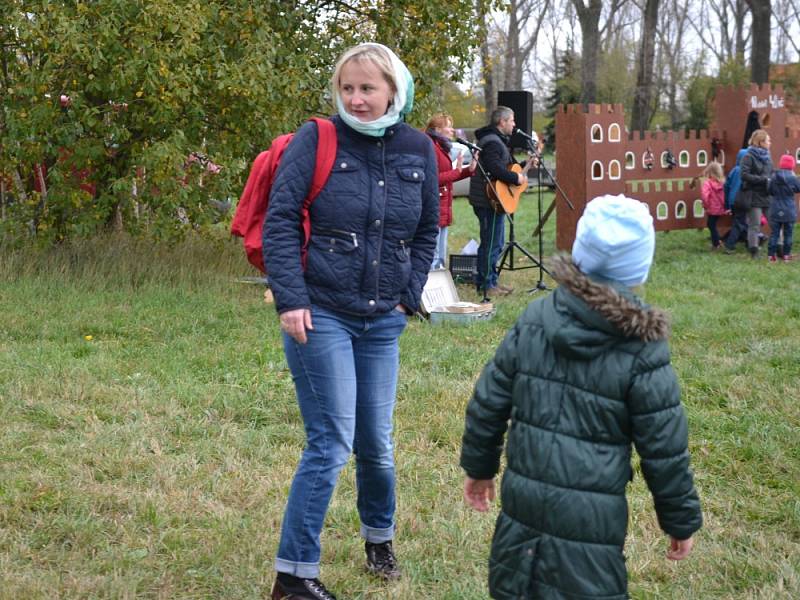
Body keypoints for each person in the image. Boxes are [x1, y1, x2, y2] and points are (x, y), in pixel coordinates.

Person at [460, 194, 703, 600]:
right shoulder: (643, 348)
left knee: (515, 586)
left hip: (523, 509)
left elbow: (488, 401)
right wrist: (679, 520)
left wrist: (479, 467)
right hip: (591, 524)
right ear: (638, 267)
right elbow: (665, 448)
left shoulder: (536, 318)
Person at [263, 43, 438, 600]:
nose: (357, 100)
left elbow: (428, 230)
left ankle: (378, 539)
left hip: (383, 320)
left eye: (368, 88)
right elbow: (282, 219)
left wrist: (408, 296)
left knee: (377, 445)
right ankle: (293, 575)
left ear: (394, 91)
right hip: (320, 314)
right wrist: (291, 298)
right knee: (331, 443)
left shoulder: (419, 148)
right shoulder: (317, 140)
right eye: (348, 89)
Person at [468, 106, 527, 297]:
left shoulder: (496, 140)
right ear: (502, 122)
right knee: (491, 243)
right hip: (488, 199)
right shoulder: (492, 142)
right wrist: (515, 178)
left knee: (496, 243)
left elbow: (504, 167)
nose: (514, 124)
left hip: (494, 199)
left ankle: (492, 281)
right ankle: (486, 285)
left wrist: (525, 165)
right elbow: (495, 168)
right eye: (512, 120)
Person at [425, 113, 477, 270]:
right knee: (433, 253)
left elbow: (449, 176)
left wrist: (469, 169)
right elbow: (432, 179)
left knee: (441, 251)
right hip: (433, 205)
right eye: (448, 126)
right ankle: (430, 285)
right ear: (437, 129)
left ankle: (440, 281)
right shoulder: (431, 147)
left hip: (443, 205)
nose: (452, 130)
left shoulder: (442, 146)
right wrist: (457, 171)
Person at [738, 129, 774, 259]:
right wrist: (763, 179)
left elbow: (771, 172)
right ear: (761, 142)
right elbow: (744, 175)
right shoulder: (748, 156)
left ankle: (780, 248)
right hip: (753, 195)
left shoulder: (768, 156)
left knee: (775, 222)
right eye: (768, 140)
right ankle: (754, 251)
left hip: (767, 194)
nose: (770, 142)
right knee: (754, 225)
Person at [767, 154, 800, 262]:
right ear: (792, 165)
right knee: (788, 234)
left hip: (775, 208)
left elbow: (769, 190)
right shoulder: (793, 178)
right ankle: (786, 255)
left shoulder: (773, 176)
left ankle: (771, 256)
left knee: (774, 234)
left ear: (781, 164)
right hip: (789, 209)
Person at [723, 148, 749, 252]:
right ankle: (729, 245)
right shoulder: (746, 171)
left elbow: (726, 186)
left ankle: (749, 241)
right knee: (739, 223)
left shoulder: (734, 170)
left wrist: (727, 205)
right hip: (742, 200)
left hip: (733, 201)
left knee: (740, 221)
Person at [700, 162, 726, 250]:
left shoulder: (708, 183)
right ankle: (718, 241)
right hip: (720, 209)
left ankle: (716, 244)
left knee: (711, 224)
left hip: (712, 209)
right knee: (712, 224)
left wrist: (705, 205)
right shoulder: (722, 183)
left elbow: (704, 195)